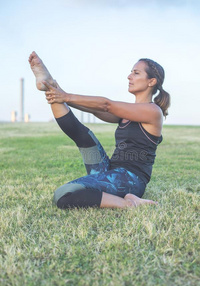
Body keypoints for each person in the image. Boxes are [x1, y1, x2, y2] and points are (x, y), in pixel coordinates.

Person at [28, 51, 170, 209]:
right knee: (83, 136)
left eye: (136, 73)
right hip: (110, 170)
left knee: (63, 195)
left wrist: (66, 96)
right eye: (131, 72)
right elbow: (96, 109)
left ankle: (128, 203)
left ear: (151, 81)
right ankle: (48, 84)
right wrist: (57, 90)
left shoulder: (153, 111)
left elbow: (106, 105)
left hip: (131, 180)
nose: (129, 76)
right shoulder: (127, 113)